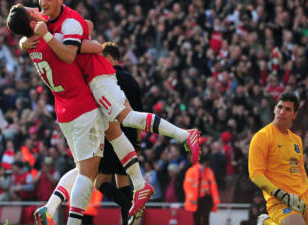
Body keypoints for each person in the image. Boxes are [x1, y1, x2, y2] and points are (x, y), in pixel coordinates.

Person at [20, 0, 200, 219]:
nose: (40, 6)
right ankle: (140, 186)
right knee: (113, 133)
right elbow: (88, 35)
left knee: (125, 118)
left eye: (43, 2)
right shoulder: (46, 26)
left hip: (96, 80)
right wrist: (27, 39)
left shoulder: (63, 25)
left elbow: (91, 45)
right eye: (36, 5)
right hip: (86, 92)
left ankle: (184, 135)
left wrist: (47, 38)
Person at [7, 5, 117, 225]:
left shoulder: (32, 43)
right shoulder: (51, 38)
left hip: (65, 111)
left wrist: (21, 41)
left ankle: (49, 208)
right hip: (83, 108)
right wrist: (89, 38)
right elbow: (93, 46)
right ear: (32, 24)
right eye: (32, 10)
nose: (36, 8)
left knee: (81, 169)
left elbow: (27, 37)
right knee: (88, 174)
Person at [249, 92, 308, 225]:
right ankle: (267, 223)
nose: (282, 111)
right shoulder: (261, 137)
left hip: (306, 201)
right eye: (280, 107)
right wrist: (283, 195)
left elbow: (302, 174)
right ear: (274, 109)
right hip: (280, 202)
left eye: (288, 109)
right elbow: (256, 175)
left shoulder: (297, 140)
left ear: (294, 114)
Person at [94, 42, 143, 225]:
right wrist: (138, 143)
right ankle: (128, 221)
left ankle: (130, 207)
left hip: (111, 135)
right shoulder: (132, 81)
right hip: (129, 137)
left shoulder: (105, 78)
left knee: (100, 181)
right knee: (123, 182)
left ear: (108, 58)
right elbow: (139, 115)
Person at [183, 154, 220, 225]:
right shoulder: (191, 171)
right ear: (205, 162)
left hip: (207, 199)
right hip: (197, 199)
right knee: (197, 219)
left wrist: (214, 200)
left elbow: (213, 186)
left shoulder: (209, 171)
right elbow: (187, 186)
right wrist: (191, 199)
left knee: (206, 219)